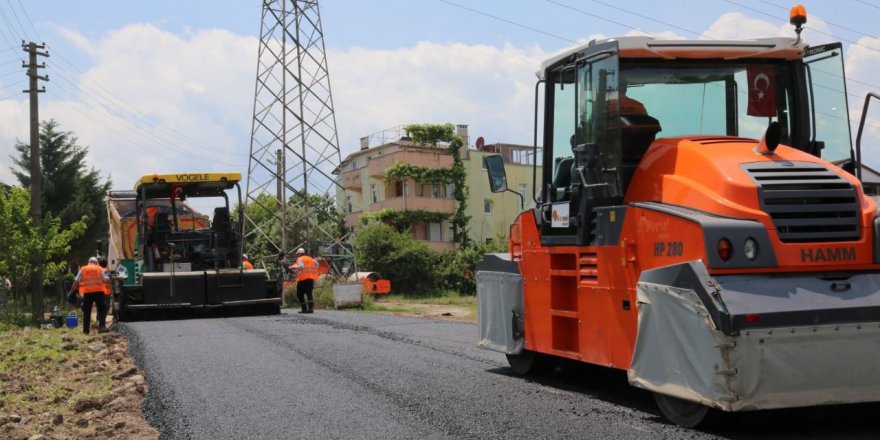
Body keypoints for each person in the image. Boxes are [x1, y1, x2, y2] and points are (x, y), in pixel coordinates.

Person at [68, 257, 110, 334]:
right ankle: (101, 327)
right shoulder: (99, 268)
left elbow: (76, 281)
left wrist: (71, 292)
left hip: (87, 294)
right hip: (99, 292)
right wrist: (108, 276)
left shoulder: (83, 269)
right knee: (101, 309)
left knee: (87, 312)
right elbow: (105, 279)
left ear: (89, 262)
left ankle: (86, 330)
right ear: (96, 263)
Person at [288, 248, 319, 313]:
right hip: (311, 278)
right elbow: (317, 265)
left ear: (299, 253)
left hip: (303, 279)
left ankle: (304, 309)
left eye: (297, 254)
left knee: (299, 294)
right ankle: (311, 309)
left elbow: (301, 266)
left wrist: (293, 267)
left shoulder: (300, 259)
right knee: (309, 293)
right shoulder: (310, 258)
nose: (297, 255)